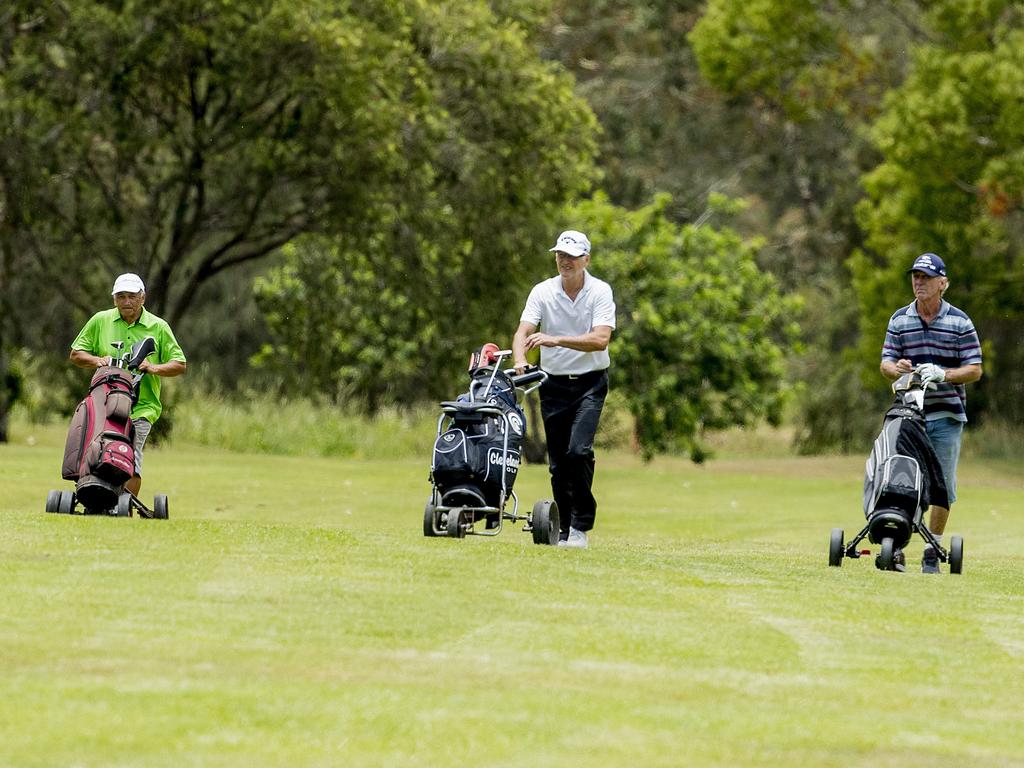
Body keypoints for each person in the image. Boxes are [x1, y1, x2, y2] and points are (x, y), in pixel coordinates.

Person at [513, 230, 616, 549]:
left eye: (571, 256)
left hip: (590, 383)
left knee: (578, 451)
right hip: (553, 383)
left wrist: (555, 339)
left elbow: (601, 339)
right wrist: (520, 360)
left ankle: (581, 525)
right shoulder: (542, 291)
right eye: (560, 254)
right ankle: (564, 527)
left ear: (586, 259)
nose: (564, 261)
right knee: (558, 462)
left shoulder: (600, 291)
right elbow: (523, 331)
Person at [880, 253, 982, 573]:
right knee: (900, 480)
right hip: (908, 415)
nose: (919, 282)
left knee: (941, 486)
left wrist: (944, 374)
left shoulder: (960, 322)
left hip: (947, 416)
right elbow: (885, 364)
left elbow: (975, 369)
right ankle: (895, 548)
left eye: (926, 277)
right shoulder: (899, 319)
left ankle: (932, 548)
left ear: (943, 283)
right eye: (916, 276)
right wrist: (895, 368)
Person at [70, 273, 187, 497]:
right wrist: (97, 360)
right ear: (114, 299)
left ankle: (126, 507)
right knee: (97, 451)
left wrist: (153, 368)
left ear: (143, 297)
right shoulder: (100, 320)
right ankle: (97, 496)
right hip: (104, 403)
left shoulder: (158, 326)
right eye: (121, 296)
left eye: (132, 296)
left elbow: (179, 364)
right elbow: (76, 354)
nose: (126, 302)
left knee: (130, 454)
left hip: (142, 407)